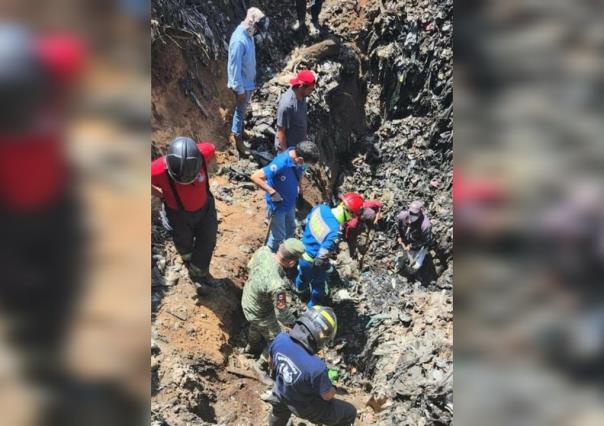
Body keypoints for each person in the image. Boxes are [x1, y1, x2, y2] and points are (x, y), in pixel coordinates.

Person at [267, 306, 357, 426]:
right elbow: (326, 396)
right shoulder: (317, 368)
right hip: (304, 408)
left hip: (280, 394)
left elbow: (271, 364)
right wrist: (334, 389)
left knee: (278, 414)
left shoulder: (280, 338)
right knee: (350, 412)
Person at [151, 136, 218, 294]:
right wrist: (159, 194)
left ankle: (199, 272)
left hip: (205, 208)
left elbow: (212, 150)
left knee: (208, 239)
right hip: (178, 213)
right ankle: (188, 261)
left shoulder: (203, 153)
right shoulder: (158, 169)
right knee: (184, 242)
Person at [242, 238, 305, 374]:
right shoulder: (277, 285)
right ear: (292, 262)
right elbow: (281, 313)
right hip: (259, 312)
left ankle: (251, 347)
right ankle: (260, 366)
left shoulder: (263, 251)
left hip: (247, 299)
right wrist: (295, 324)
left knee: (256, 325)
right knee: (277, 340)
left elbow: (249, 266)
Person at [295, 193, 364, 307]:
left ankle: (299, 291)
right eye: (354, 216)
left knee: (302, 276)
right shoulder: (334, 232)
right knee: (319, 287)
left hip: (301, 251)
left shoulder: (321, 208)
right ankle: (311, 309)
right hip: (311, 261)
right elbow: (319, 260)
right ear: (350, 213)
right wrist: (327, 269)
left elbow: (305, 223)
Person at [250, 141, 319, 252]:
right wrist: (272, 192)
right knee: (278, 237)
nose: (306, 167)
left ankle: (287, 252)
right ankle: (271, 256)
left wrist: (299, 185)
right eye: (307, 164)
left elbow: (300, 171)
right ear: (300, 160)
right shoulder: (280, 163)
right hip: (278, 206)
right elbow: (255, 177)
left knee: (291, 228)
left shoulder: (297, 161)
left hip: (290, 203)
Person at [227, 7, 269, 156]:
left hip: (248, 82)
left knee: (243, 110)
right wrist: (240, 90)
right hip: (242, 85)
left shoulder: (249, 35)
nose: (258, 31)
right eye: (257, 28)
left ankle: (241, 130)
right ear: (252, 22)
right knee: (239, 111)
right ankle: (237, 139)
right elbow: (234, 67)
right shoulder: (239, 40)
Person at [275, 70, 316, 153]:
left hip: (299, 146)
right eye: (310, 89)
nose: (311, 92)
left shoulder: (302, 95)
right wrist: (285, 154)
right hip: (289, 149)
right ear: (301, 87)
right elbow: (281, 132)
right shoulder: (287, 105)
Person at [396, 200, 433, 273]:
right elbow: (398, 227)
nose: (412, 215)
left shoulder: (425, 225)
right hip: (406, 241)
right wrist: (399, 236)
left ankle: (411, 273)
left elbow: (426, 241)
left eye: (415, 214)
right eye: (411, 212)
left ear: (420, 212)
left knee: (416, 265)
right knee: (401, 257)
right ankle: (399, 267)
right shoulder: (403, 216)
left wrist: (412, 246)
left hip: (419, 245)